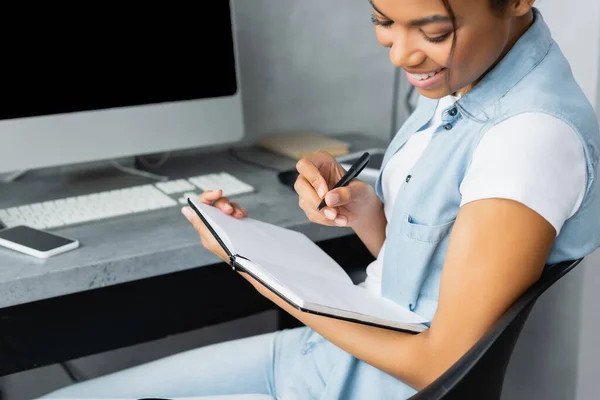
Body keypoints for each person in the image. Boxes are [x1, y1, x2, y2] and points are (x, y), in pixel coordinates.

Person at [41, 0, 600, 399]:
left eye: (432, 31)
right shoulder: (469, 77)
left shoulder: (529, 138)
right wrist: (366, 209)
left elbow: (442, 367)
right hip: (327, 362)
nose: (401, 54)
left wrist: (262, 273)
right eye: (384, 22)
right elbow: (426, 273)